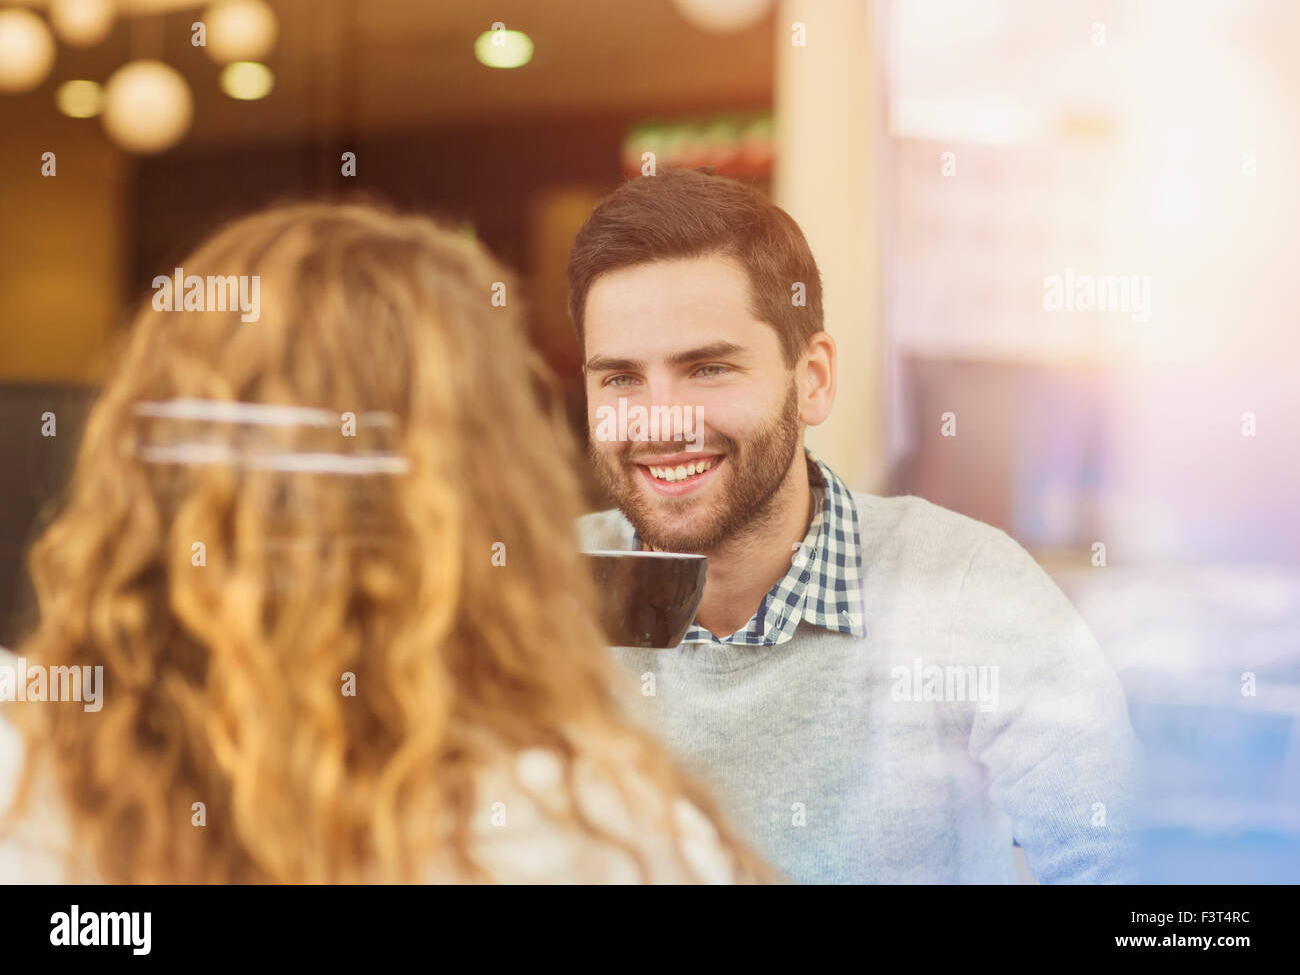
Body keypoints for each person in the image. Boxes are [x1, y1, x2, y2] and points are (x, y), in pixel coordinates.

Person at [0, 200, 776, 885]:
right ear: (491, 485)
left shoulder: (28, 771)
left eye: (707, 368)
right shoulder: (594, 828)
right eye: (619, 379)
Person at [570, 168, 1144, 884]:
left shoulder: (968, 586)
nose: (661, 421)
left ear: (812, 379)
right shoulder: (537, 590)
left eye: (708, 368)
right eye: (620, 379)